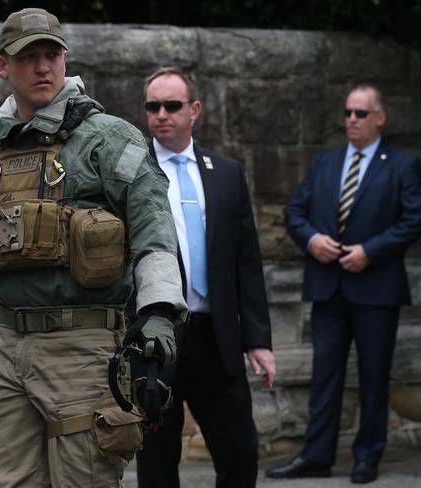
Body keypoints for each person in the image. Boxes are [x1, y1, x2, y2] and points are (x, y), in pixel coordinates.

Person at [0, 9, 187, 487]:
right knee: (1, 480)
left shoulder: (107, 138)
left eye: (51, 55)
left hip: (82, 345)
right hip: (5, 345)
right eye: (28, 57)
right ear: (2, 66)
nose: (42, 67)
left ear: (65, 59)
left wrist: (158, 311)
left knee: (83, 479)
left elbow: (154, 225)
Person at [266, 84, 421, 484]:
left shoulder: (402, 165)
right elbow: (295, 211)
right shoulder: (326, 162)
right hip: (328, 286)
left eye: (360, 113)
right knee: (325, 375)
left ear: (379, 118)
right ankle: (317, 456)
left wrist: (370, 251)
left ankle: (367, 457)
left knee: (374, 375)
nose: (351, 120)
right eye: (348, 113)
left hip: (376, 287)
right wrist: (312, 240)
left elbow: (414, 220)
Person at [134, 66, 276, 488]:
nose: (161, 114)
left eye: (172, 105)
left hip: (217, 338)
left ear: (193, 110)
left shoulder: (226, 173)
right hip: (158, 338)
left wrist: (259, 340)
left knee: (240, 453)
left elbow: (246, 261)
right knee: (158, 462)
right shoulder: (131, 173)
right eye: (153, 106)